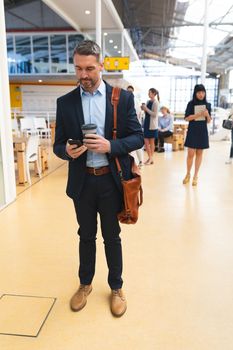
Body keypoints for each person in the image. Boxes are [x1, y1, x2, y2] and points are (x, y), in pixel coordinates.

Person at [53, 40, 143, 317]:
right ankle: (85, 284)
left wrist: (110, 146)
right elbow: (57, 145)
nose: (83, 75)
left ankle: (116, 287)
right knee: (85, 235)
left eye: (89, 68)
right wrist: (66, 151)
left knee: (112, 236)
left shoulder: (121, 98)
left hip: (110, 180)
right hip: (82, 182)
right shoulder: (65, 102)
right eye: (78, 69)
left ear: (101, 66)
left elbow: (137, 137)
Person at [183, 84, 211, 186]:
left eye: (203, 92)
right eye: (199, 92)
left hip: (202, 131)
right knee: (190, 153)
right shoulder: (191, 104)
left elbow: (208, 121)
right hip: (192, 131)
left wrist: (207, 115)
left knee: (199, 153)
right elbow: (186, 118)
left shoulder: (208, 105)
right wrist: (198, 115)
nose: (201, 94)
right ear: (195, 93)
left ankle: (195, 176)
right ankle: (188, 174)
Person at [126, 85, 144, 166]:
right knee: (130, 144)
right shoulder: (130, 101)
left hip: (134, 126)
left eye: (130, 91)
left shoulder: (134, 101)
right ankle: (137, 162)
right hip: (131, 126)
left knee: (135, 144)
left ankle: (140, 161)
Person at [141, 88, 159, 164]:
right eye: (148, 93)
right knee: (146, 141)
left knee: (151, 142)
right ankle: (150, 158)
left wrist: (146, 109)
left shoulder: (156, 102)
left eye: (150, 93)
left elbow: (154, 114)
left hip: (152, 125)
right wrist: (143, 109)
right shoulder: (148, 101)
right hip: (147, 123)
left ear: (154, 94)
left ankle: (151, 158)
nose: (148, 94)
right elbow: (147, 112)